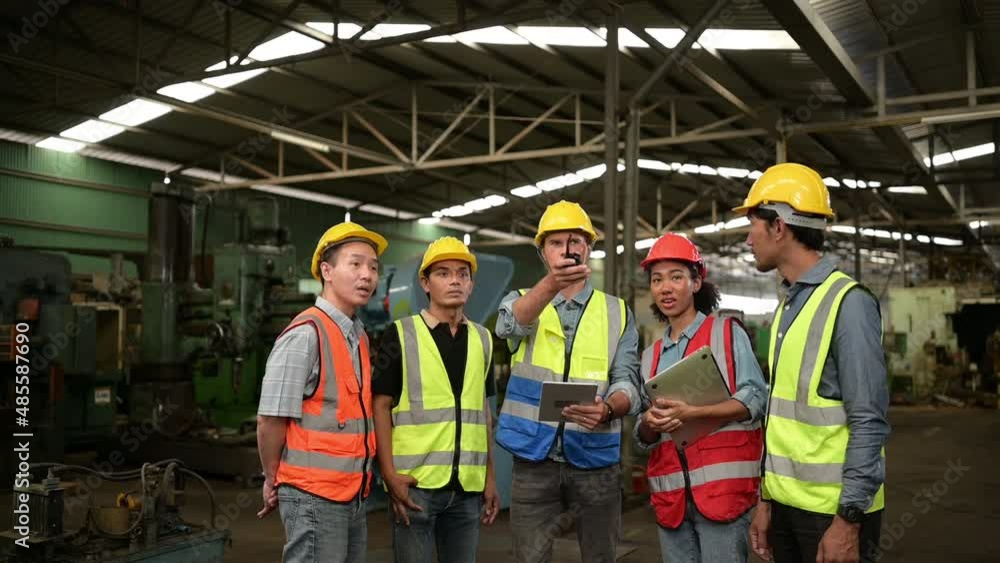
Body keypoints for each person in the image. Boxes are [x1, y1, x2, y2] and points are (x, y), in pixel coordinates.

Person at [735, 163, 890, 563]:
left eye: (752, 225)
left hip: (833, 514)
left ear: (779, 227)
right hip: (787, 508)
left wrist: (849, 519)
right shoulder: (788, 305)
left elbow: (869, 420)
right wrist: (766, 499)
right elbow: (780, 419)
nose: (748, 239)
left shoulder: (849, 303)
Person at [494, 200, 641, 563]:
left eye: (575, 241)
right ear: (543, 252)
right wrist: (550, 285)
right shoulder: (522, 301)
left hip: (595, 459)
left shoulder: (617, 312)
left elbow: (628, 383)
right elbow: (508, 327)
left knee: (600, 556)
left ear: (588, 248)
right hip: (533, 457)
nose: (566, 249)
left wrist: (609, 409)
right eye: (556, 243)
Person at [256, 222, 386, 563]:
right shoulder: (305, 334)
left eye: (373, 267)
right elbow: (270, 420)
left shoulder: (358, 336)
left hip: (352, 494)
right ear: (326, 271)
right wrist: (273, 476)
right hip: (313, 496)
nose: (367, 275)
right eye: (355, 264)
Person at [633, 233, 767, 563]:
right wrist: (648, 423)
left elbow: (755, 399)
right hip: (671, 498)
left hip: (723, 494)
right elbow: (644, 435)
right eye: (657, 279)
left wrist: (692, 413)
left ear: (695, 283)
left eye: (676, 277)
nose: (665, 288)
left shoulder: (726, 334)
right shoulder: (649, 357)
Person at [372, 236, 500, 563]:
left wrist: (490, 478)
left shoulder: (483, 339)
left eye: (462, 274)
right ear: (425, 283)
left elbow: (483, 413)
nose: (455, 280)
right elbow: (380, 406)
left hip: (467, 489)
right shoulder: (400, 334)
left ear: (471, 285)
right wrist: (389, 474)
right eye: (443, 273)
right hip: (415, 485)